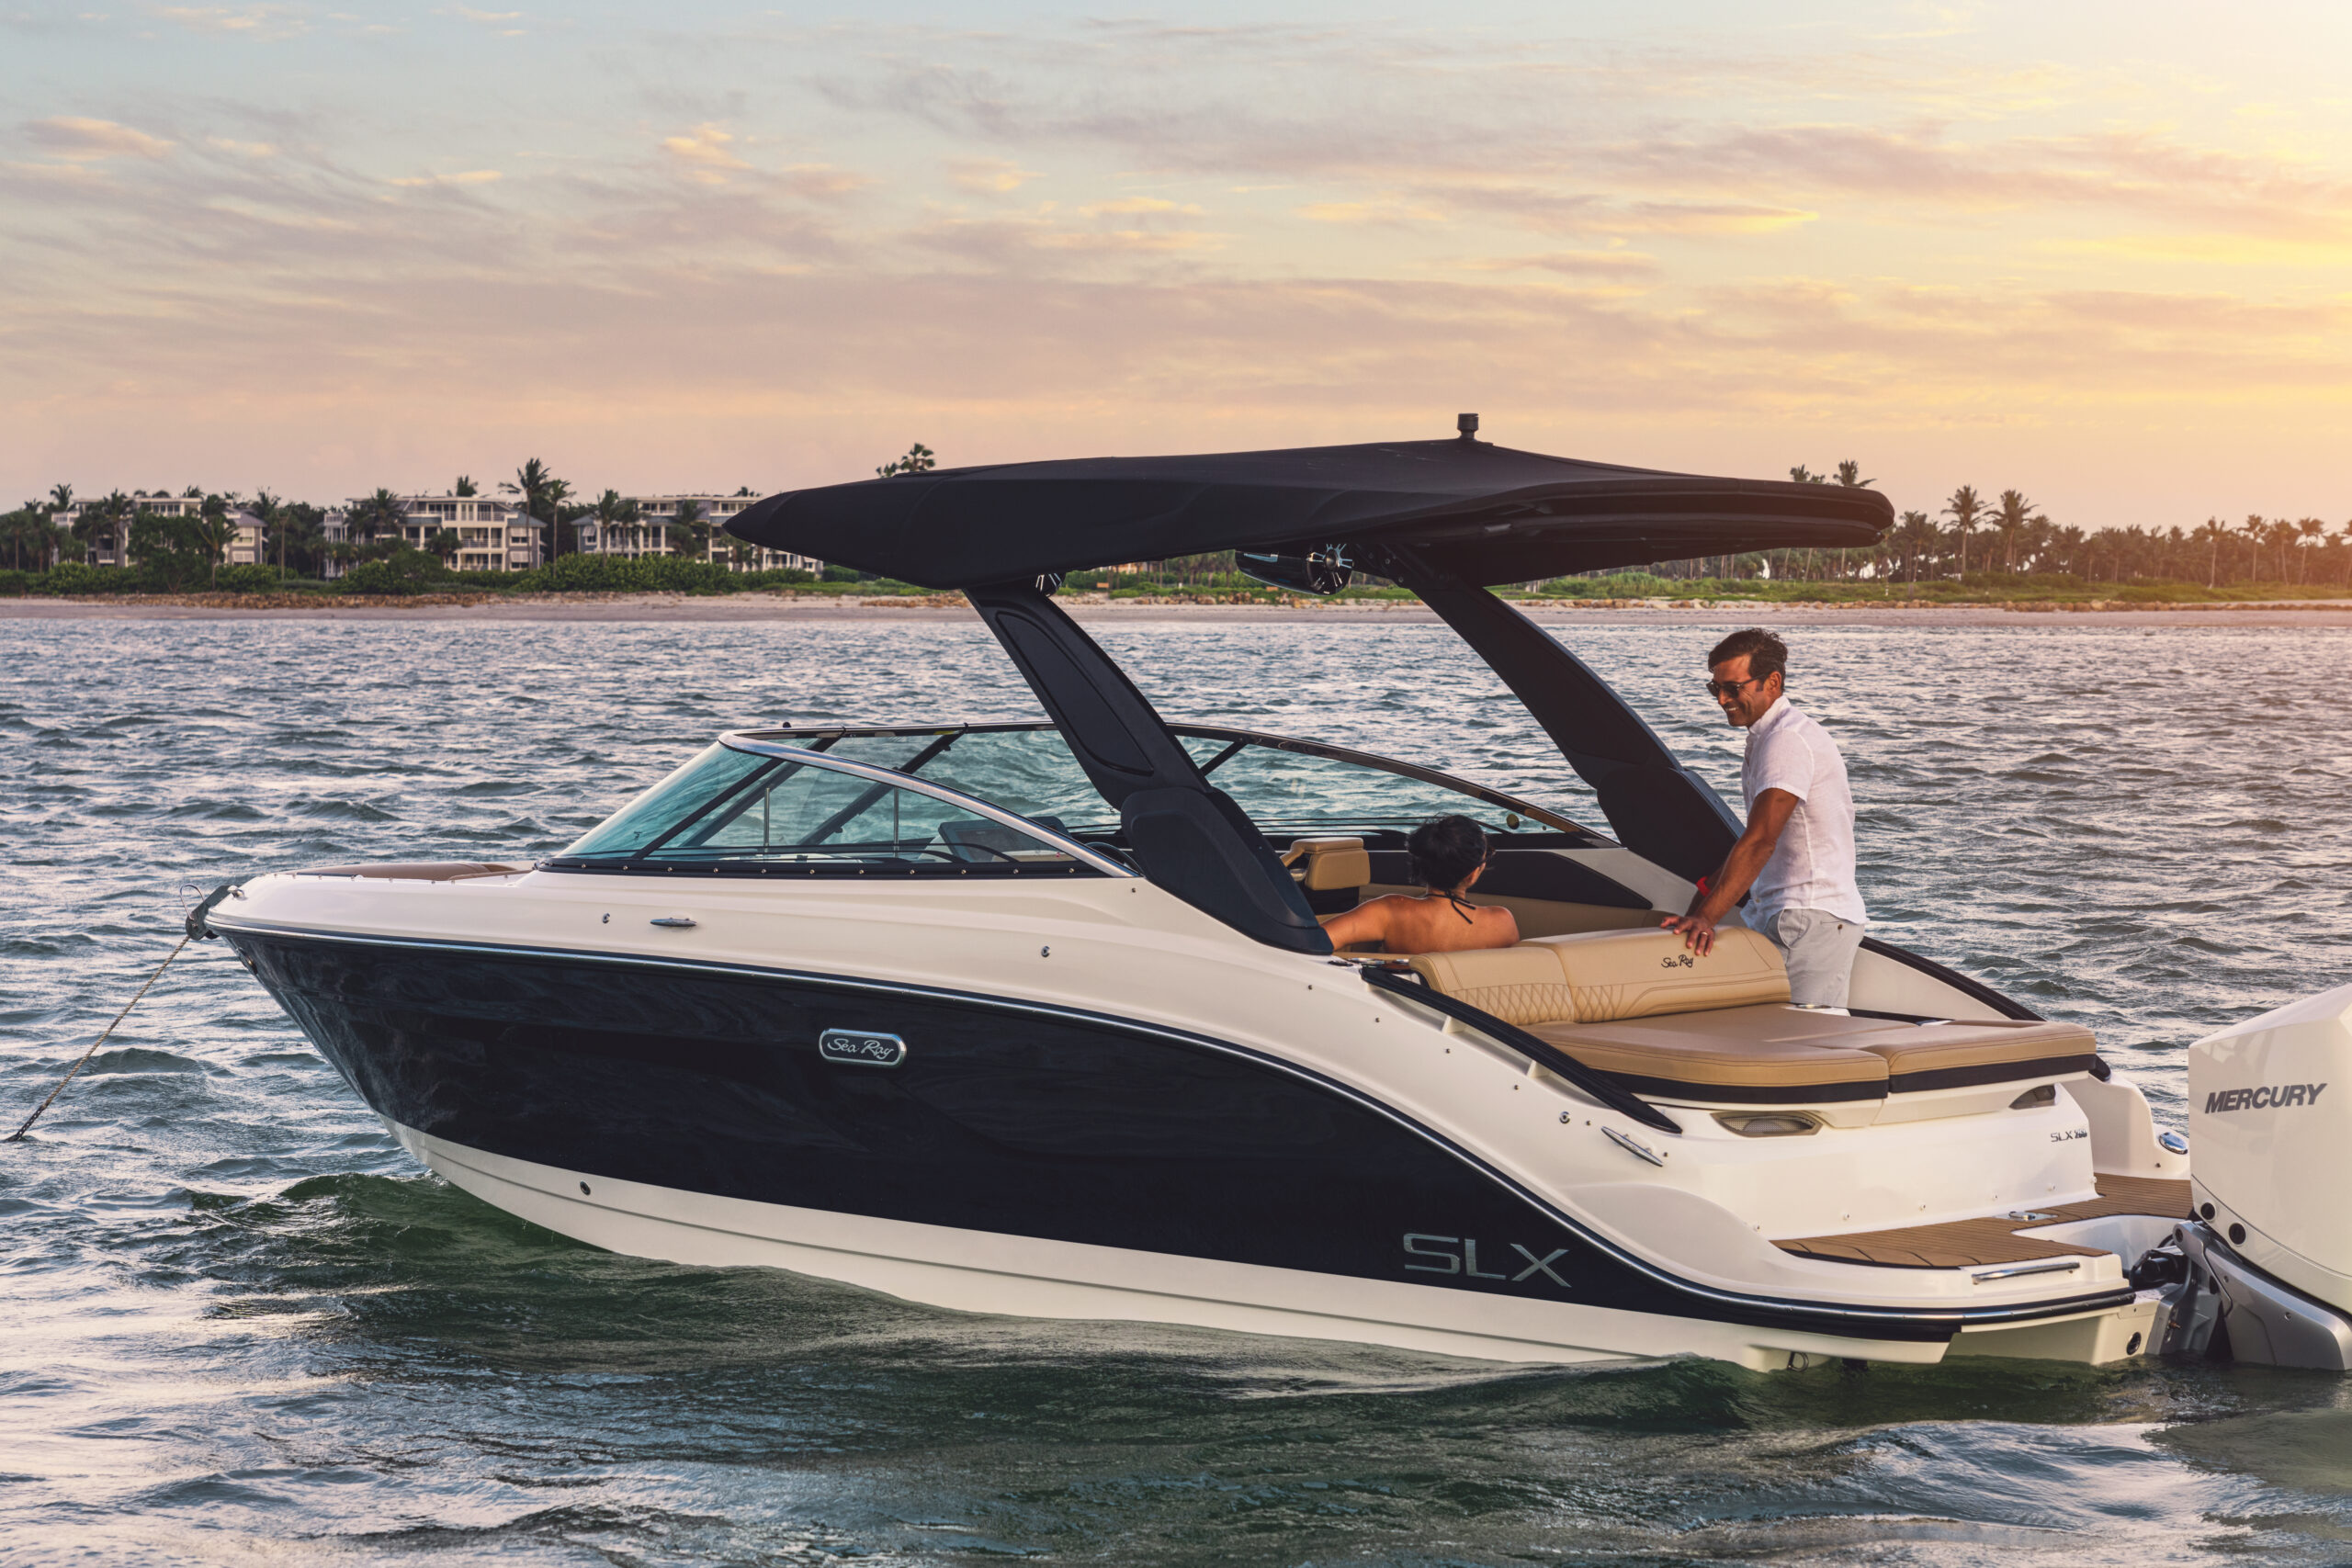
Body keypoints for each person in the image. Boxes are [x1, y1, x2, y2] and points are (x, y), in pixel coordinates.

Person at [1662, 627, 1867, 1007]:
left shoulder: (1786, 741)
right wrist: (1697, 910)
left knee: (1796, 1045)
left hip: (1805, 919)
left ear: (1772, 682)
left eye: (1733, 688)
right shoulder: (1772, 736)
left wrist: (1705, 919)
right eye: (1715, 689)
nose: (1722, 699)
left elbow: (1760, 841)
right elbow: (1750, 841)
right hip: (1800, 917)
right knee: (1794, 1038)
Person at [1320, 814, 1521, 955]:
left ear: (1420, 866)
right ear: (1473, 874)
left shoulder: (1389, 911)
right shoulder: (1502, 923)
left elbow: (1315, 941)